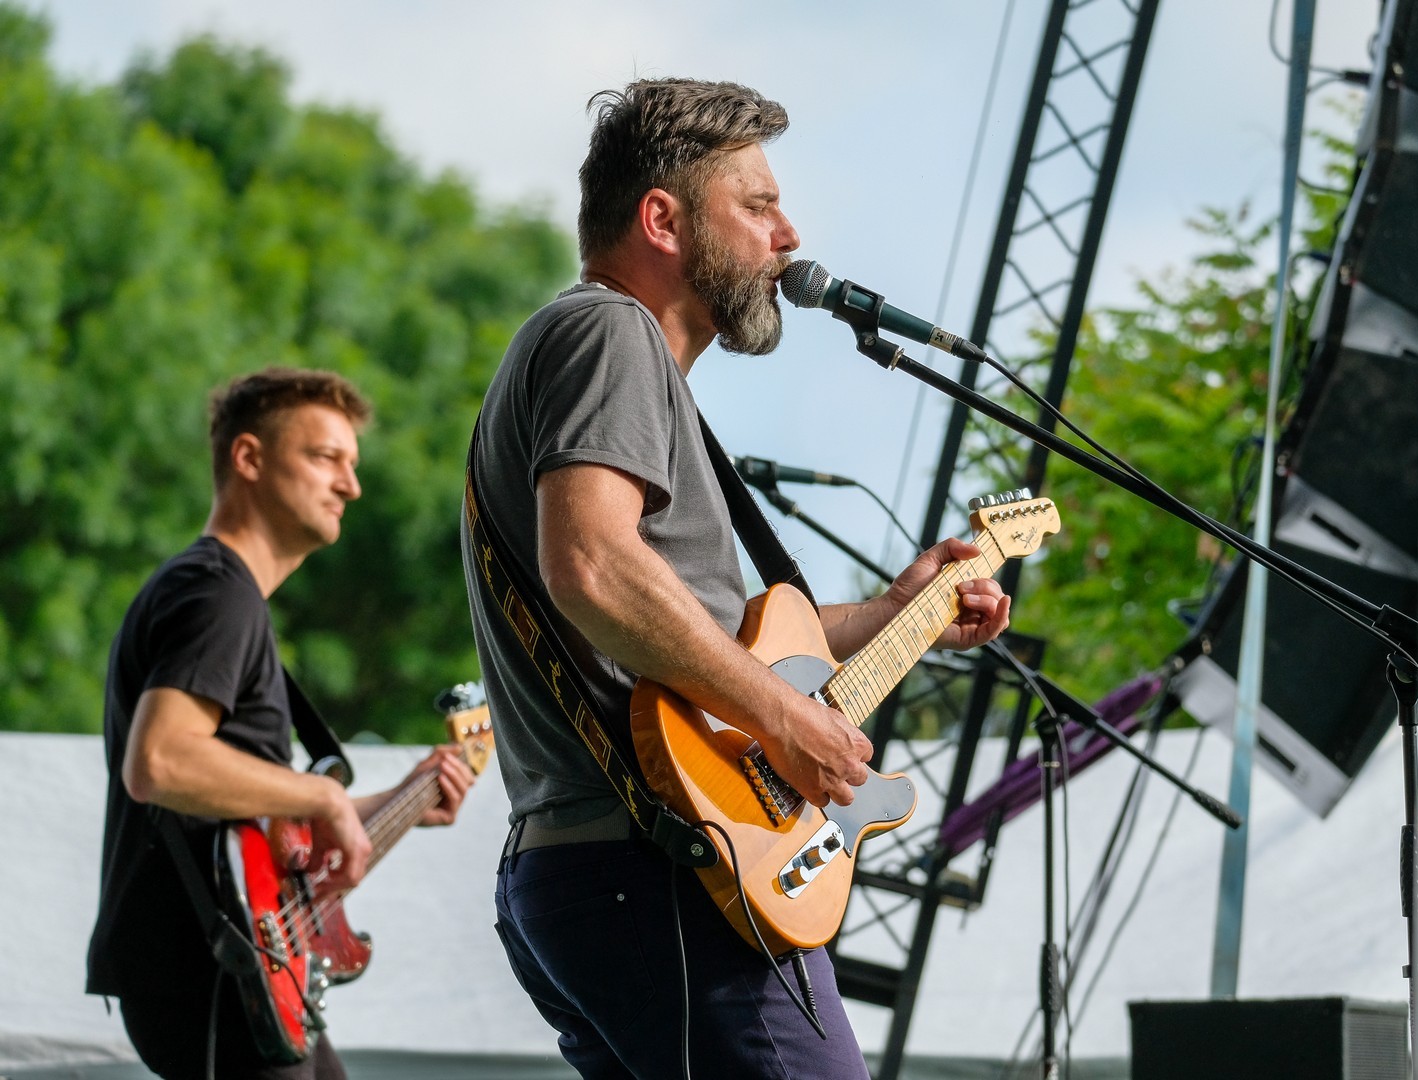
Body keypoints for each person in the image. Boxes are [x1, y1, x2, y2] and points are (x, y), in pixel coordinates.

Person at [461, 79, 1011, 1078]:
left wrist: (901, 612)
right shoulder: (610, 331)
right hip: (664, 870)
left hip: (604, 871)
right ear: (661, 220)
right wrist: (785, 718)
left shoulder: (608, 357)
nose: (788, 236)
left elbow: (709, 639)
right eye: (757, 206)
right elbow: (591, 564)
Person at [87, 367, 476, 1080]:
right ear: (248, 458)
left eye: (351, 465)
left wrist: (398, 802)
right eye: (326, 457)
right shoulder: (218, 593)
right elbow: (161, 762)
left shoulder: (222, 595)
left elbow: (259, 824)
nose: (350, 486)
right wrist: (325, 796)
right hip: (211, 971)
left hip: (232, 966)